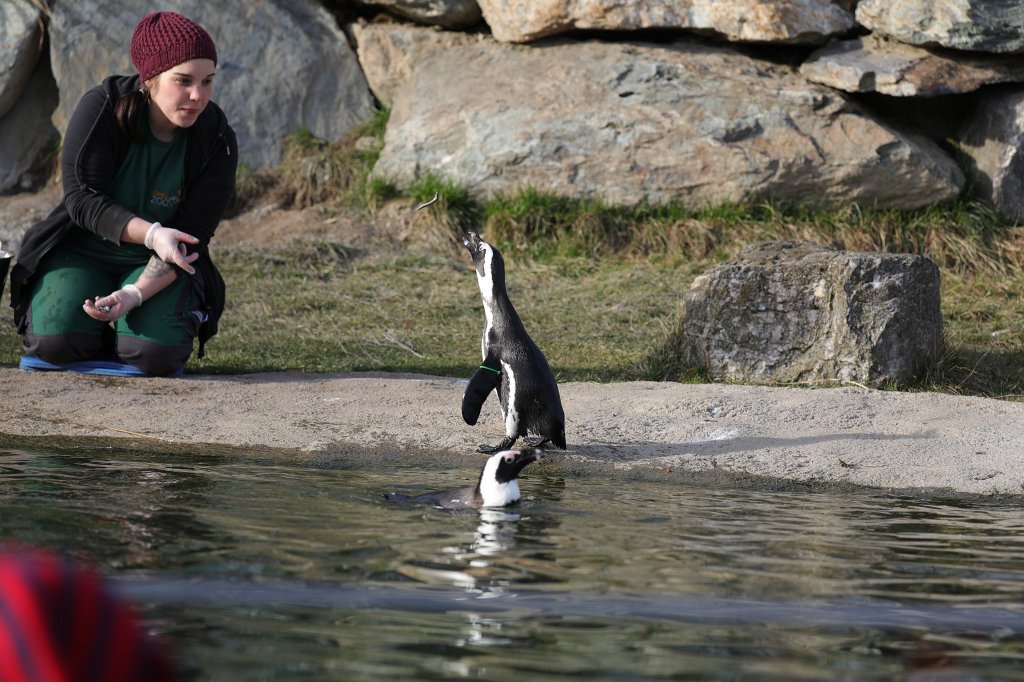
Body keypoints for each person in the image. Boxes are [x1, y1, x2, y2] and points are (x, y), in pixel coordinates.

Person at [9, 11, 237, 377]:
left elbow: (191, 237)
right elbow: (82, 200)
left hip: (156, 267)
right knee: (55, 345)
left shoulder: (217, 138)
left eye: (208, 81)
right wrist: (152, 233)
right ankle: (92, 331)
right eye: (184, 81)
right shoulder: (103, 106)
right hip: (81, 251)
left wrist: (134, 294)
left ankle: (131, 334)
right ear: (150, 79)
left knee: (154, 355)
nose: (198, 96)